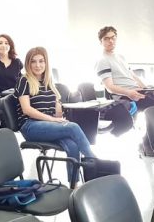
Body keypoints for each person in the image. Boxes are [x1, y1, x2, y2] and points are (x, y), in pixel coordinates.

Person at [15, 47, 96, 185]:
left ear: (46, 63)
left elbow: (54, 112)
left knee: (73, 146)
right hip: (30, 126)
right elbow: (27, 110)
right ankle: (94, 163)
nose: (38, 65)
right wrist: (53, 120)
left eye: (41, 61)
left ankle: (74, 186)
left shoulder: (48, 82)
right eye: (33, 61)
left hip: (47, 126)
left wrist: (57, 110)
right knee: (72, 127)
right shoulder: (24, 80)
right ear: (28, 63)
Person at [95, 26, 154, 111]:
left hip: (137, 91)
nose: (111, 41)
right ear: (101, 42)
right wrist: (128, 92)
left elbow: (133, 76)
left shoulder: (121, 57)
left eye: (113, 38)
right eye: (106, 39)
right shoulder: (102, 61)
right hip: (125, 96)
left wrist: (147, 89)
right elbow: (110, 87)